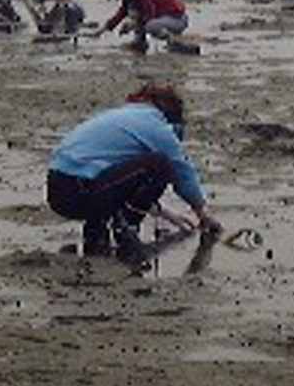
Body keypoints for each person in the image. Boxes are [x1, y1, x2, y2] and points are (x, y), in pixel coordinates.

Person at [46, 83, 221, 262]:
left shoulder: (121, 116)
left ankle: (96, 236)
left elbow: (124, 185)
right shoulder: (155, 125)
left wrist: (171, 216)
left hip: (61, 192)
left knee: (126, 174)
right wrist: (203, 214)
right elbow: (182, 172)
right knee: (160, 164)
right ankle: (126, 230)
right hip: (80, 190)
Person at [95, 0, 188, 52]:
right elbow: (120, 14)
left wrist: (132, 25)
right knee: (136, 15)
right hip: (165, 18)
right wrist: (102, 30)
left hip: (177, 20)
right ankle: (139, 42)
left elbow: (149, 14)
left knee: (150, 25)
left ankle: (174, 41)